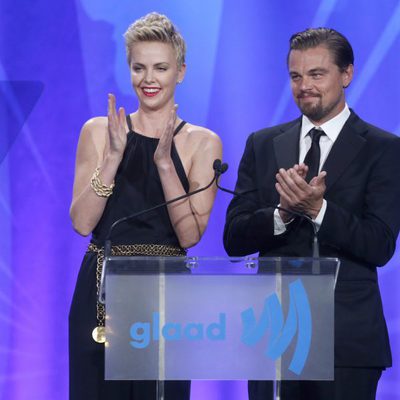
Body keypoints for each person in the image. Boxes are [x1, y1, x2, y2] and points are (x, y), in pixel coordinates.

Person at [224, 27, 400, 400]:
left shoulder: (384, 149)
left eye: (316, 74)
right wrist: (283, 213)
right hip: (275, 337)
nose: (304, 85)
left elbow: (379, 244)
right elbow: (234, 238)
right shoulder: (263, 144)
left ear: (347, 74)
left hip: (345, 341)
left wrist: (317, 209)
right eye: (295, 76)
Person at [69, 12, 222, 400]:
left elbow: (189, 235)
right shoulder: (99, 131)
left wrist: (166, 165)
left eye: (160, 68)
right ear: (129, 70)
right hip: (102, 291)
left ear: (181, 72)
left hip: (166, 295)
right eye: (139, 67)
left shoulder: (203, 143)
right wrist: (112, 158)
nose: (148, 79)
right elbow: (82, 223)